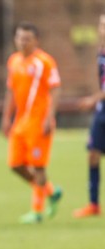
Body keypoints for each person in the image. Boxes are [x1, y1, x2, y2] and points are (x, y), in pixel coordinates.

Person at [0, 21, 62, 224]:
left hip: (38, 122)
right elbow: (10, 91)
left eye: (27, 39)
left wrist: (49, 117)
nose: (22, 42)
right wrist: (5, 118)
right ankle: (51, 192)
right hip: (20, 122)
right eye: (19, 38)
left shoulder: (44, 62)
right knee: (16, 164)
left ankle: (37, 211)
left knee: (38, 167)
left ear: (36, 40)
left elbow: (55, 88)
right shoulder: (14, 61)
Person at [73, 14, 105, 218]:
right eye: (101, 24)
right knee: (93, 155)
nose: (103, 27)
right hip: (102, 111)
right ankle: (93, 204)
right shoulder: (100, 51)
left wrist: (93, 98)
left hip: (99, 103)